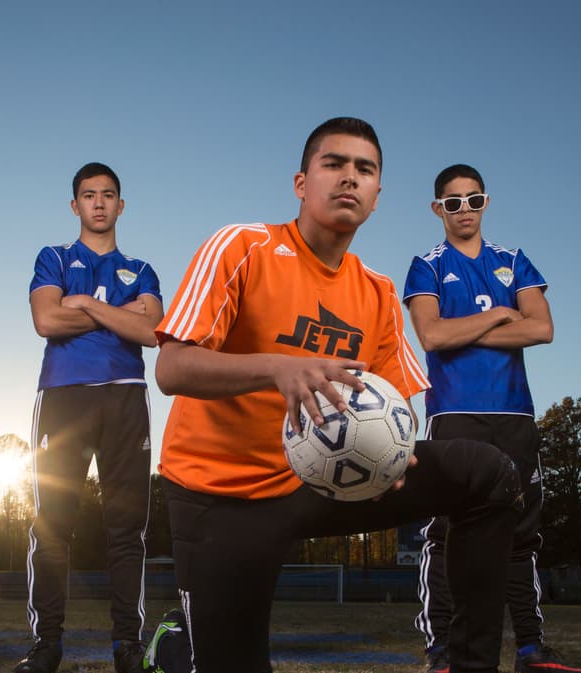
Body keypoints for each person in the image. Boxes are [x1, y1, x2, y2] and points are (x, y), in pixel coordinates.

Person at [152, 117, 521, 673]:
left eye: (364, 169)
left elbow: (397, 401)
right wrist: (279, 368)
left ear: (376, 197)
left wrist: (393, 457)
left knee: (486, 473)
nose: (350, 178)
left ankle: (463, 663)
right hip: (222, 495)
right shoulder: (242, 247)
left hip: (321, 482)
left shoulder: (377, 291)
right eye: (334, 164)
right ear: (302, 182)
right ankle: (180, 643)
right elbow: (172, 367)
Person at [403, 165, 581, 673]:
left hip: (514, 413)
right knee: (445, 531)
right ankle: (440, 650)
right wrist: (502, 315)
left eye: (473, 199)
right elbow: (432, 337)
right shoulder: (427, 265)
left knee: (521, 532)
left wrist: (464, 329)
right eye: (453, 202)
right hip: (454, 414)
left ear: (485, 202)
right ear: (438, 208)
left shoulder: (512, 259)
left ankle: (531, 647)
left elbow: (542, 328)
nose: (465, 210)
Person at [15, 162, 163, 673]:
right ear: (74, 205)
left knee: (127, 529)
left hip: (125, 396)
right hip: (63, 395)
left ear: (121, 205)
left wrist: (86, 306)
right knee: (53, 523)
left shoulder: (141, 270)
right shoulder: (53, 257)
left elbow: (152, 332)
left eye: (108, 195)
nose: (98, 203)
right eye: (88, 195)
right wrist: (119, 314)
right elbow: (45, 319)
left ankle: (127, 645)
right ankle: (46, 645)